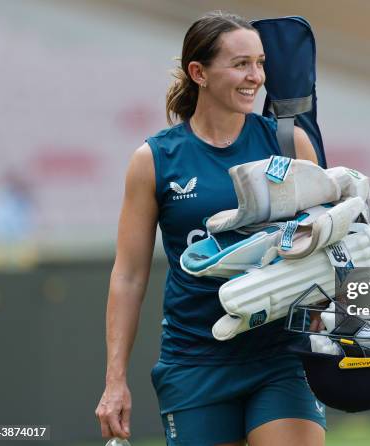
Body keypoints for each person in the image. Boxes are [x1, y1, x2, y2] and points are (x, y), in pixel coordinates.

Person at [95, 11, 326, 446]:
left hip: (281, 356)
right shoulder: (155, 160)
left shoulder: (288, 143)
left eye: (260, 63)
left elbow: (327, 245)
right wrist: (114, 381)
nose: (255, 76)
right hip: (195, 361)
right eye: (240, 64)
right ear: (198, 72)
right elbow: (128, 276)